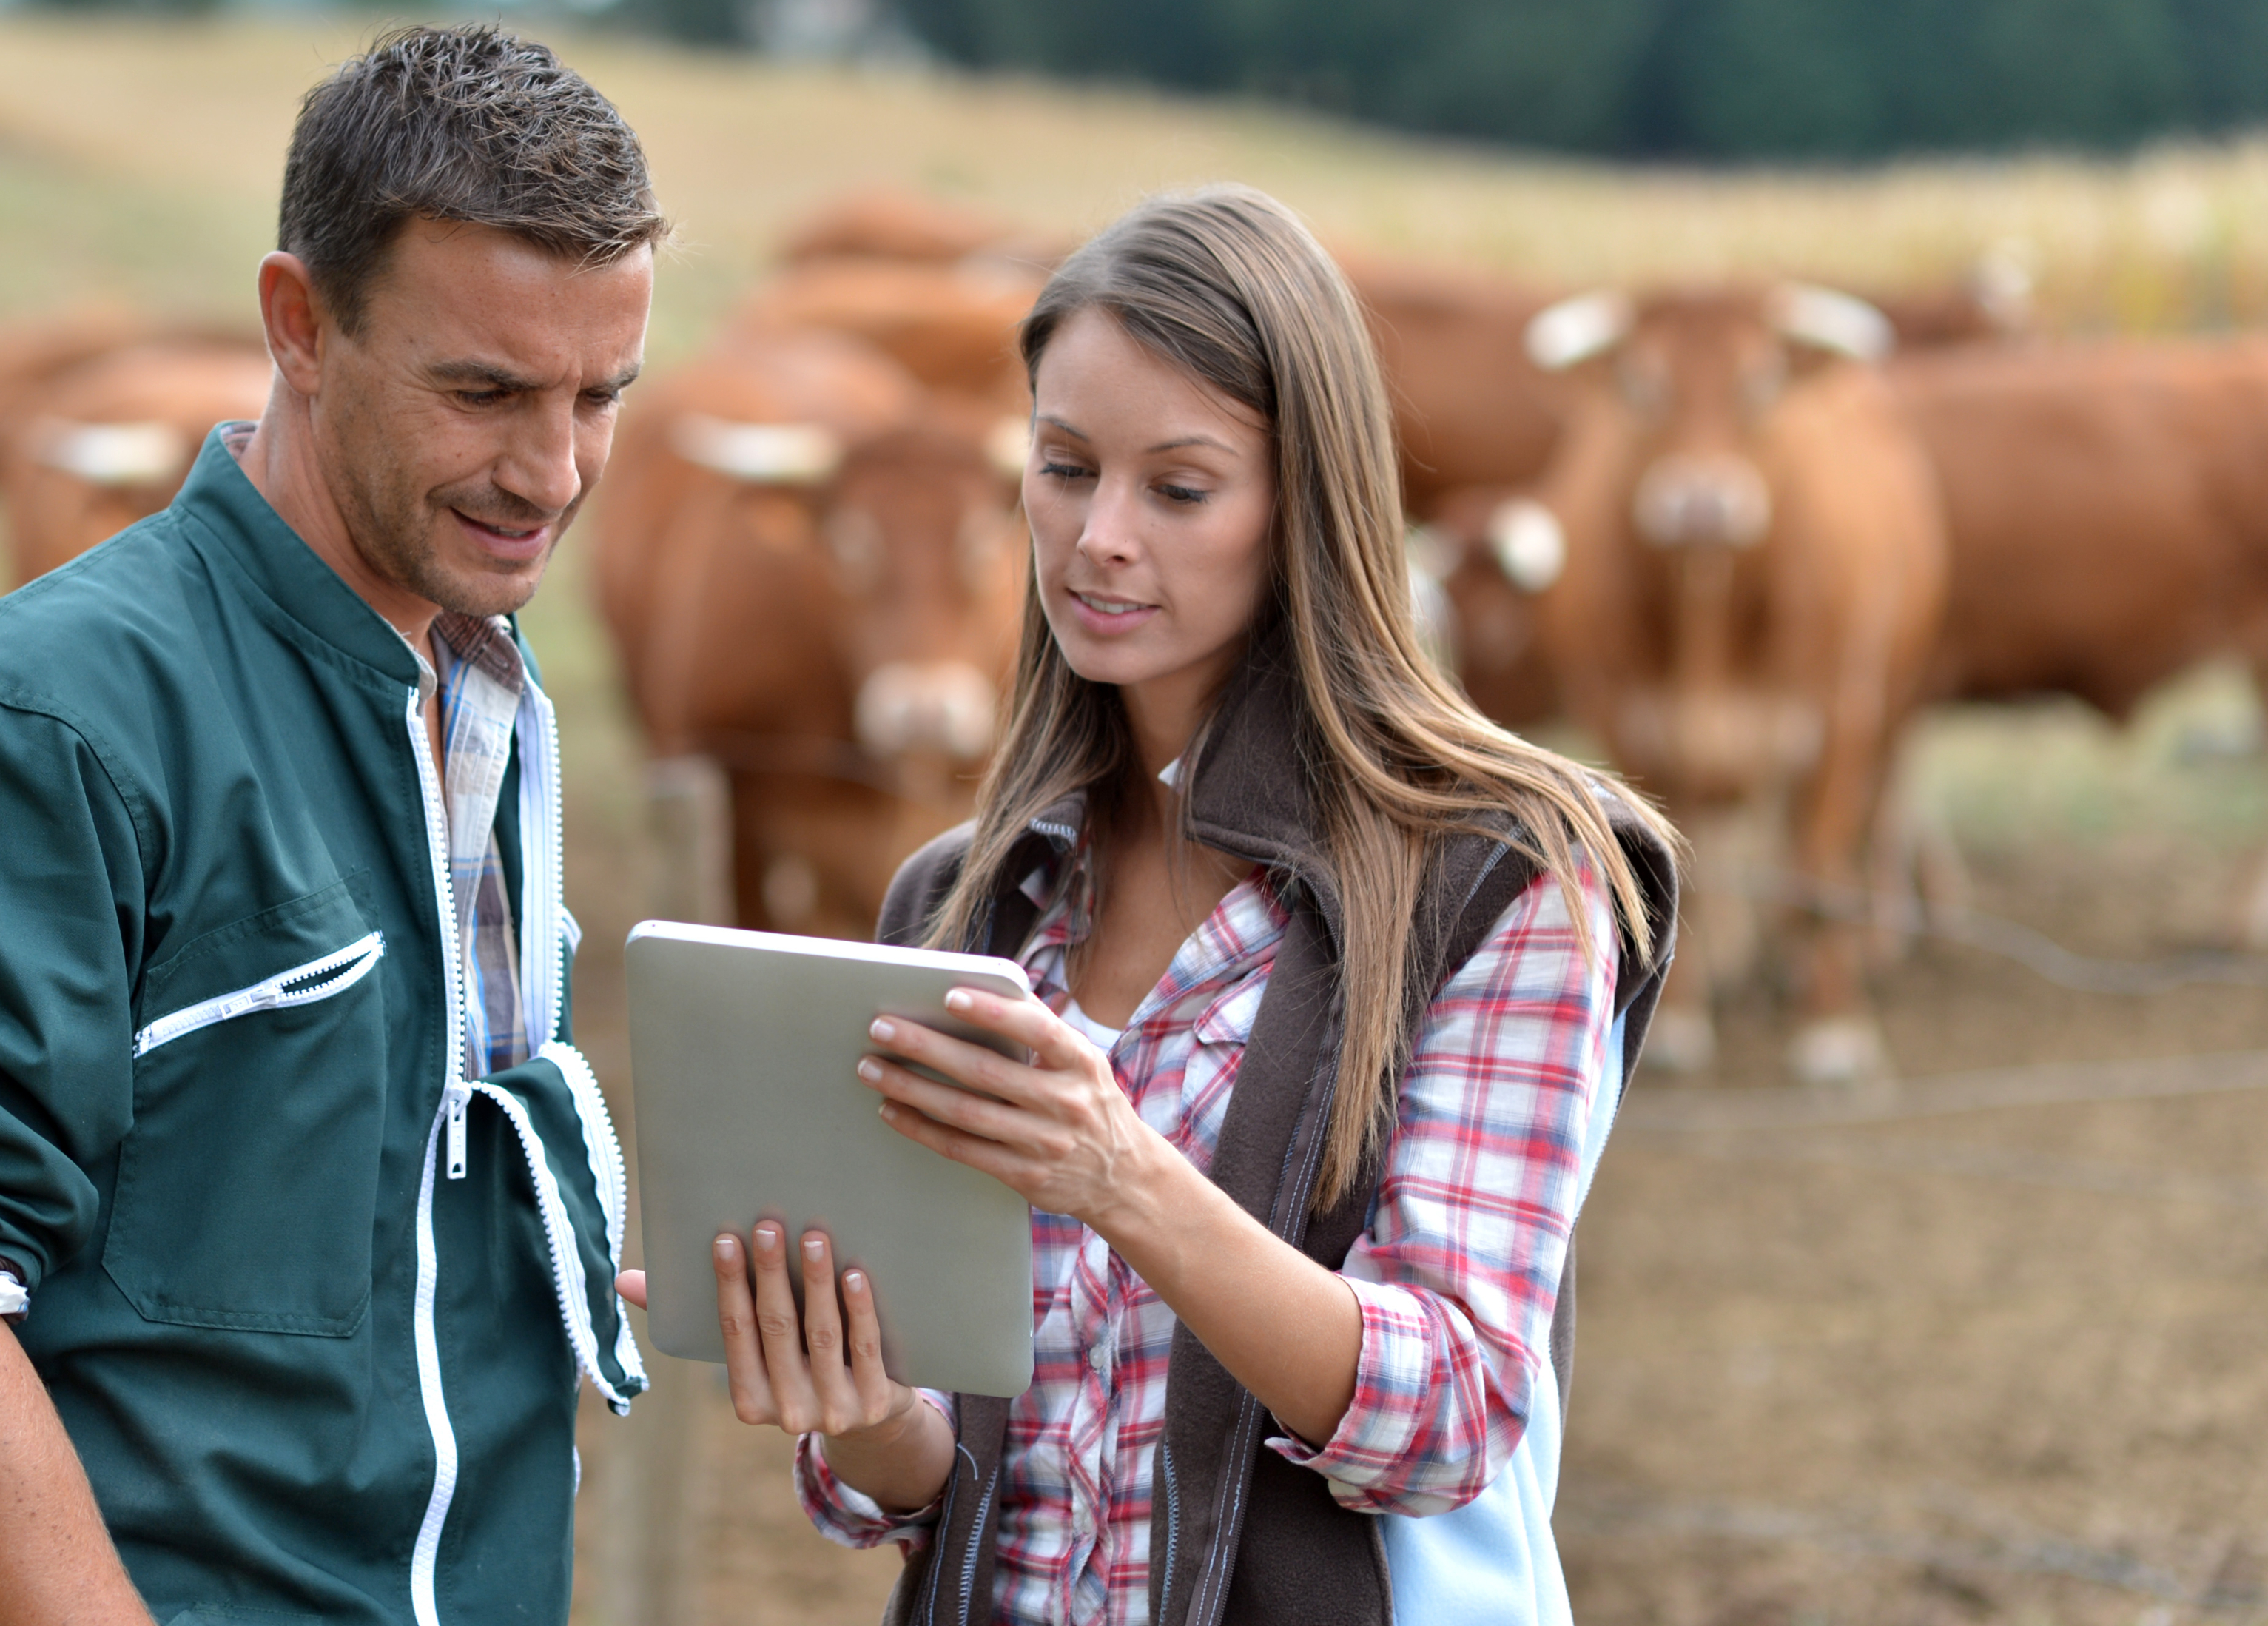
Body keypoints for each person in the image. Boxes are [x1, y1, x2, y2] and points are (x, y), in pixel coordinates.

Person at [625, 187, 1679, 1624]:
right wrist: (856, 1399)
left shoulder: (1505, 874)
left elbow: (1450, 1410)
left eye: (1177, 488)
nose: (1098, 536)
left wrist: (1119, 1175)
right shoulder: (964, 900)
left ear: (1302, 502)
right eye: (1062, 468)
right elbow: (952, 1481)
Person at [0, 24, 661, 1626]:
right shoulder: (39, 724)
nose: (552, 470)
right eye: (485, 391)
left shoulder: (488, 702)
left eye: (601, 395)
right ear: (297, 324)